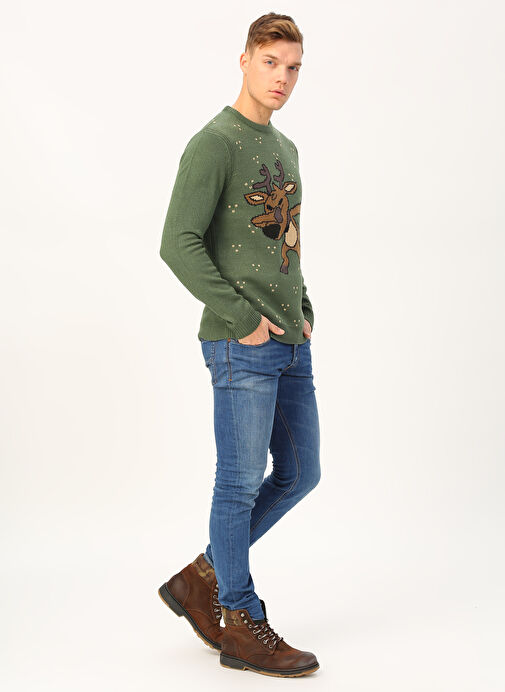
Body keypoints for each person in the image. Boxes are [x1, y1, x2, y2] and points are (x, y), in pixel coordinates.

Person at [158, 12, 321, 678]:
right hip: (241, 343)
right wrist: (240, 316)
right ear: (245, 60)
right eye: (270, 62)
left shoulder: (285, 148)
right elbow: (178, 242)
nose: (281, 78)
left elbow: (282, 244)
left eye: (293, 68)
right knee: (237, 484)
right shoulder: (214, 143)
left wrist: (302, 309)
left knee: (301, 473)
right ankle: (239, 621)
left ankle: (201, 578)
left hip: (289, 343)